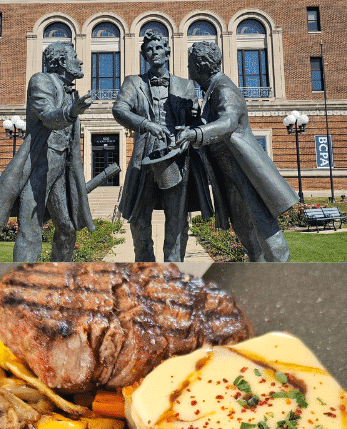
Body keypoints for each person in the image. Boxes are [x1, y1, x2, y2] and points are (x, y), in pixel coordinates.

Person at [176, 41, 297, 262]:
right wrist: (197, 120)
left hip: (245, 171)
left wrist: (195, 133)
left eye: (190, 64)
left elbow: (229, 122)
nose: (188, 69)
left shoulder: (223, 87)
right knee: (243, 228)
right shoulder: (210, 90)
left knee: (263, 225)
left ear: (200, 65)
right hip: (228, 173)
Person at [0, 40, 94, 262]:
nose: (79, 61)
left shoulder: (70, 91)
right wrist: (71, 112)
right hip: (38, 168)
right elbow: (48, 116)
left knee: (68, 229)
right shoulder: (41, 81)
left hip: (62, 170)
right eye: (74, 56)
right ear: (61, 61)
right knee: (30, 231)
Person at [112, 30, 212, 261]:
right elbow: (120, 110)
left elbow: (195, 125)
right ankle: (144, 266)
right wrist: (146, 124)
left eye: (158, 48)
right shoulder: (133, 82)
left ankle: (173, 269)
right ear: (143, 55)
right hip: (144, 156)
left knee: (176, 217)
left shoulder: (185, 85)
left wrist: (196, 115)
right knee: (138, 216)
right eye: (149, 49)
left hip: (176, 156)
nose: (154, 52)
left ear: (167, 52)